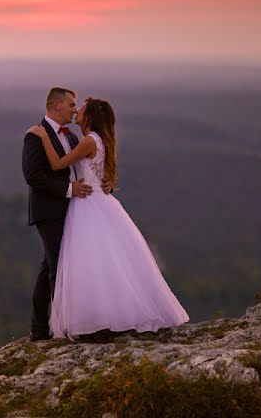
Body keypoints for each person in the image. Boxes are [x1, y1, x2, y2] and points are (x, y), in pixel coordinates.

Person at [26, 96, 189, 339]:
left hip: (86, 205)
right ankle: (80, 320)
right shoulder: (96, 140)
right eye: (73, 106)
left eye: (80, 108)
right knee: (100, 262)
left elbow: (59, 164)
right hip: (92, 203)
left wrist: (43, 137)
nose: (76, 111)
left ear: (90, 116)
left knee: (86, 264)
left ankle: (78, 322)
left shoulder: (86, 141)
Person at [22, 86, 105, 341]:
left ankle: (39, 329)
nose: (74, 109)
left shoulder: (70, 137)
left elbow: (79, 167)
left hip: (71, 211)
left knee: (50, 267)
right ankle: (67, 327)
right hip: (48, 211)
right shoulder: (36, 135)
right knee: (59, 267)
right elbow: (33, 176)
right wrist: (69, 189)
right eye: (71, 104)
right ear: (56, 105)